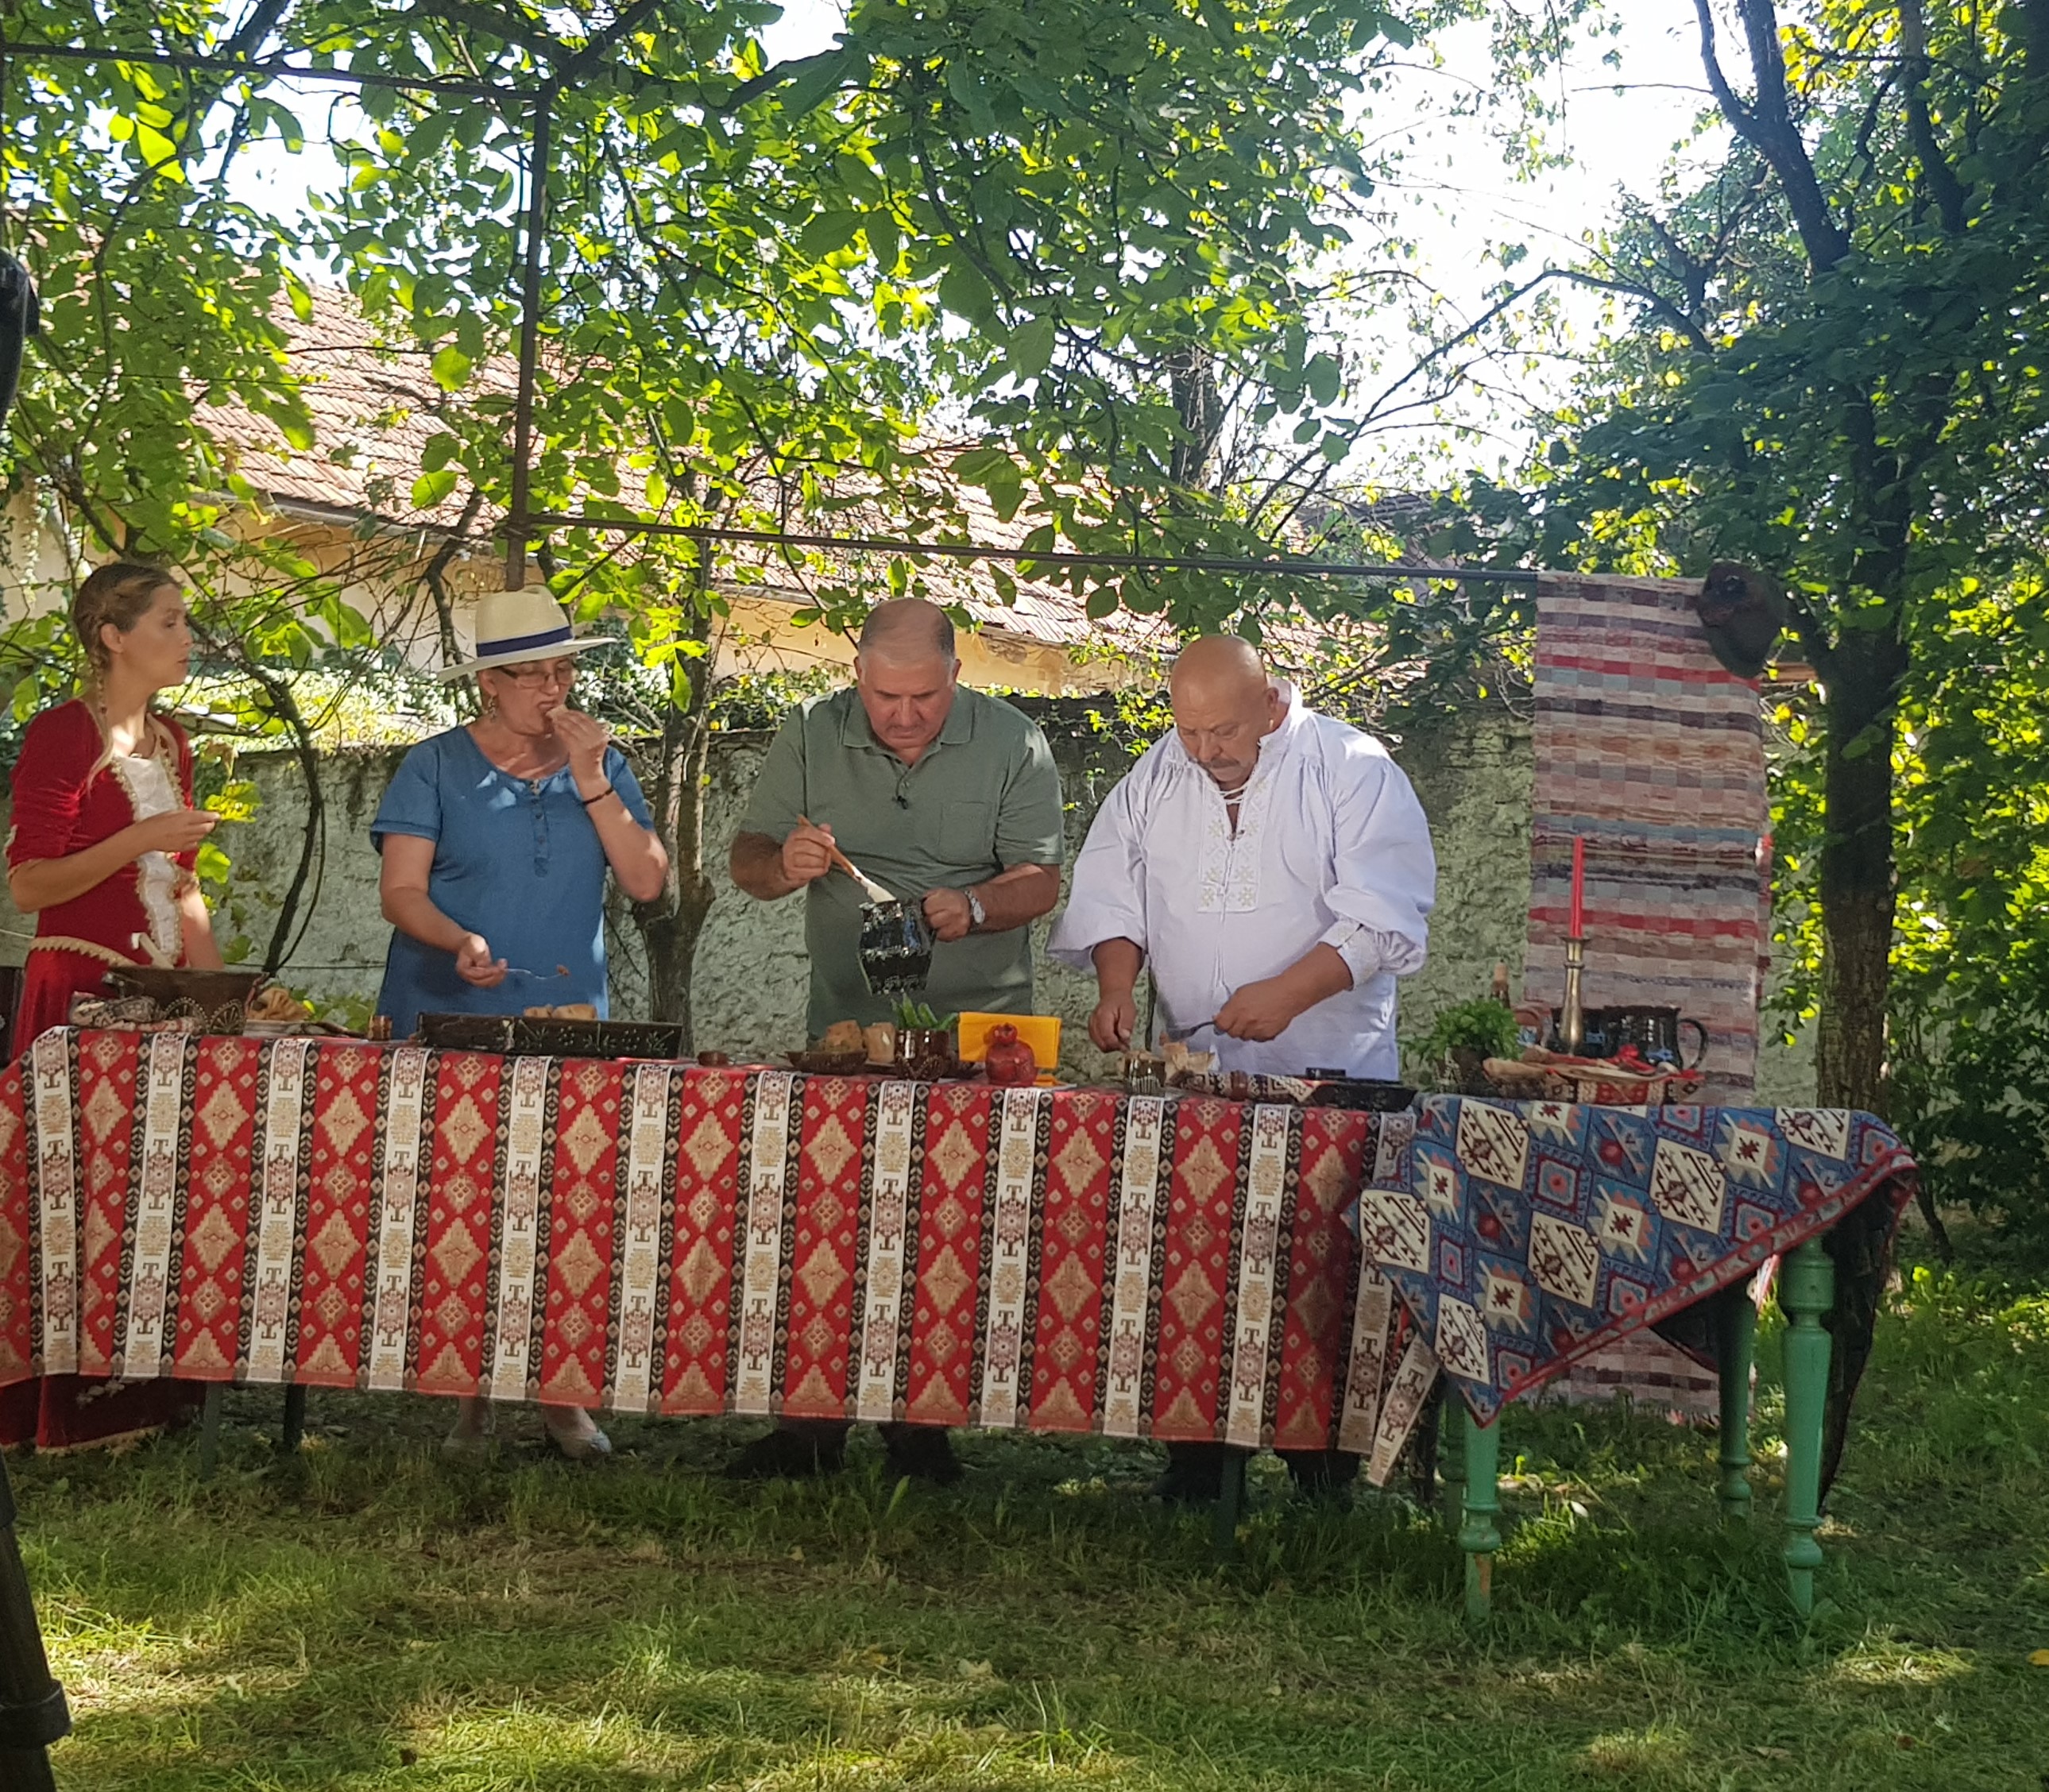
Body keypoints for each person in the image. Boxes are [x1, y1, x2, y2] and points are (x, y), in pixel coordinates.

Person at [1049, 633, 1436, 1500]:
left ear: (1269, 705)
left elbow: (1384, 915)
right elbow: (1112, 889)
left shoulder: (1351, 768)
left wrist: (1289, 994)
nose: (1204, 751)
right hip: (1201, 1080)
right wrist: (1116, 984)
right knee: (1193, 1256)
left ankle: (1321, 1466)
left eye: (1222, 731)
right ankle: (1195, 1458)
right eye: (1188, 731)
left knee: (1316, 1270)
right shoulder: (1158, 772)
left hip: (1327, 1075)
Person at [726, 597, 1065, 1481]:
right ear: (857, 677)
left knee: (954, 1233)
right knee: (825, 1227)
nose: (905, 715)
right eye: (885, 698)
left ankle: (924, 1429)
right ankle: (809, 1429)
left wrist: (979, 905)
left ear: (956, 674)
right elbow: (748, 858)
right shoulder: (810, 731)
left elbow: (1041, 880)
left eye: (925, 697)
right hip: (845, 1032)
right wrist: (784, 865)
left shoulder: (1014, 740)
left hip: (978, 1037)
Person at [372, 585, 669, 1462]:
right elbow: (401, 891)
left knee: (566, 1212)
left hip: (566, 1022)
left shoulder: (602, 764)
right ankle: (467, 1396)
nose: (552, 688)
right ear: (488, 686)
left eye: (562, 670)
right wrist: (458, 939)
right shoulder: (433, 766)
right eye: (531, 674)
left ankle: (561, 1398)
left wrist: (592, 780)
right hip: (447, 1015)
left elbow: (647, 881)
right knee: (453, 1208)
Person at [2, 562, 222, 1449]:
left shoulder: (171, 741)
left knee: (152, 1199)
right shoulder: (64, 734)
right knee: (73, 1203)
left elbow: (184, 887)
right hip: (79, 992)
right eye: (169, 621)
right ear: (113, 637)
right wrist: (139, 838)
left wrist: (219, 996)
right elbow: (30, 884)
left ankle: (143, 1401)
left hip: (162, 1002)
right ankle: (53, 1405)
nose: (187, 637)